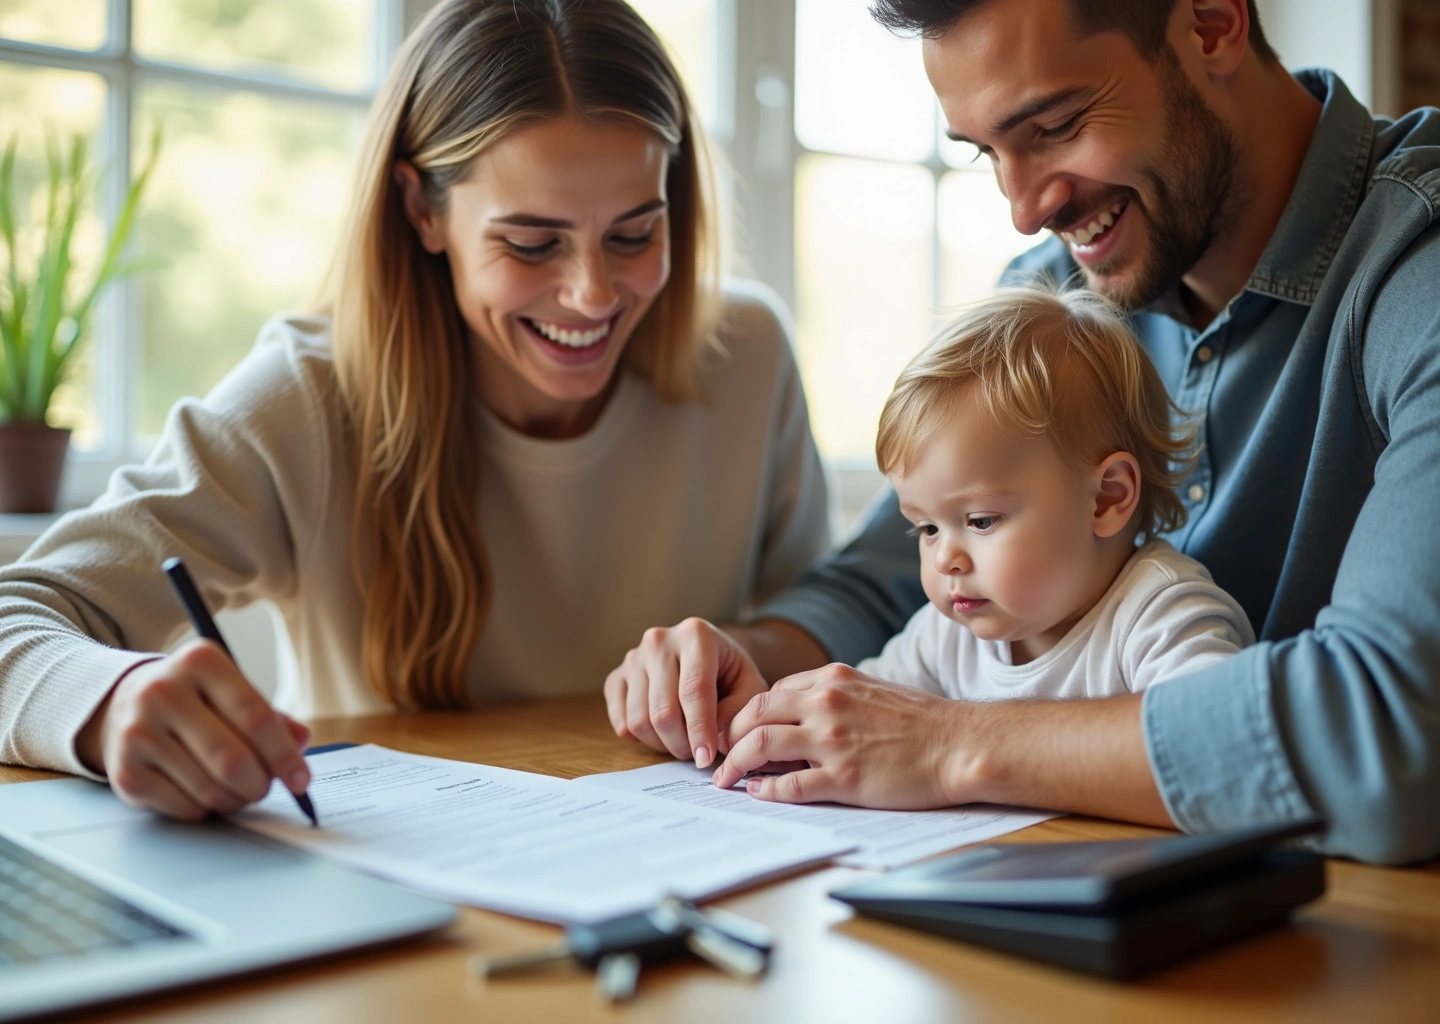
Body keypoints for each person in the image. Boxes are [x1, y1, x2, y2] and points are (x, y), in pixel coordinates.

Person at [608, 0, 1440, 864]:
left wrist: (948, 746)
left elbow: (1392, 745)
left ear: (1213, 23)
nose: (1024, 209)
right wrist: (736, 666)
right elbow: (886, 586)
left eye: (1055, 125)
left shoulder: (1417, 265)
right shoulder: (1059, 292)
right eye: (985, 153)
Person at [0, 0, 829, 821]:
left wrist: (749, 653)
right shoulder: (308, 394)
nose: (593, 293)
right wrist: (112, 700)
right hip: (385, 880)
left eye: (634, 233)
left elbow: (839, 618)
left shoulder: (747, 353)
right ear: (422, 209)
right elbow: (17, 614)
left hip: (683, 859)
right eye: (532, 243)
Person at [856, 285, 1251, 723]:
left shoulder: (1162, 618)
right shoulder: (946, 636)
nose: (945, 559)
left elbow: (1215, 738)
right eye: (927, 528)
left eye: (981, 521)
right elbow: (861, 714)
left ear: (1106, 498)